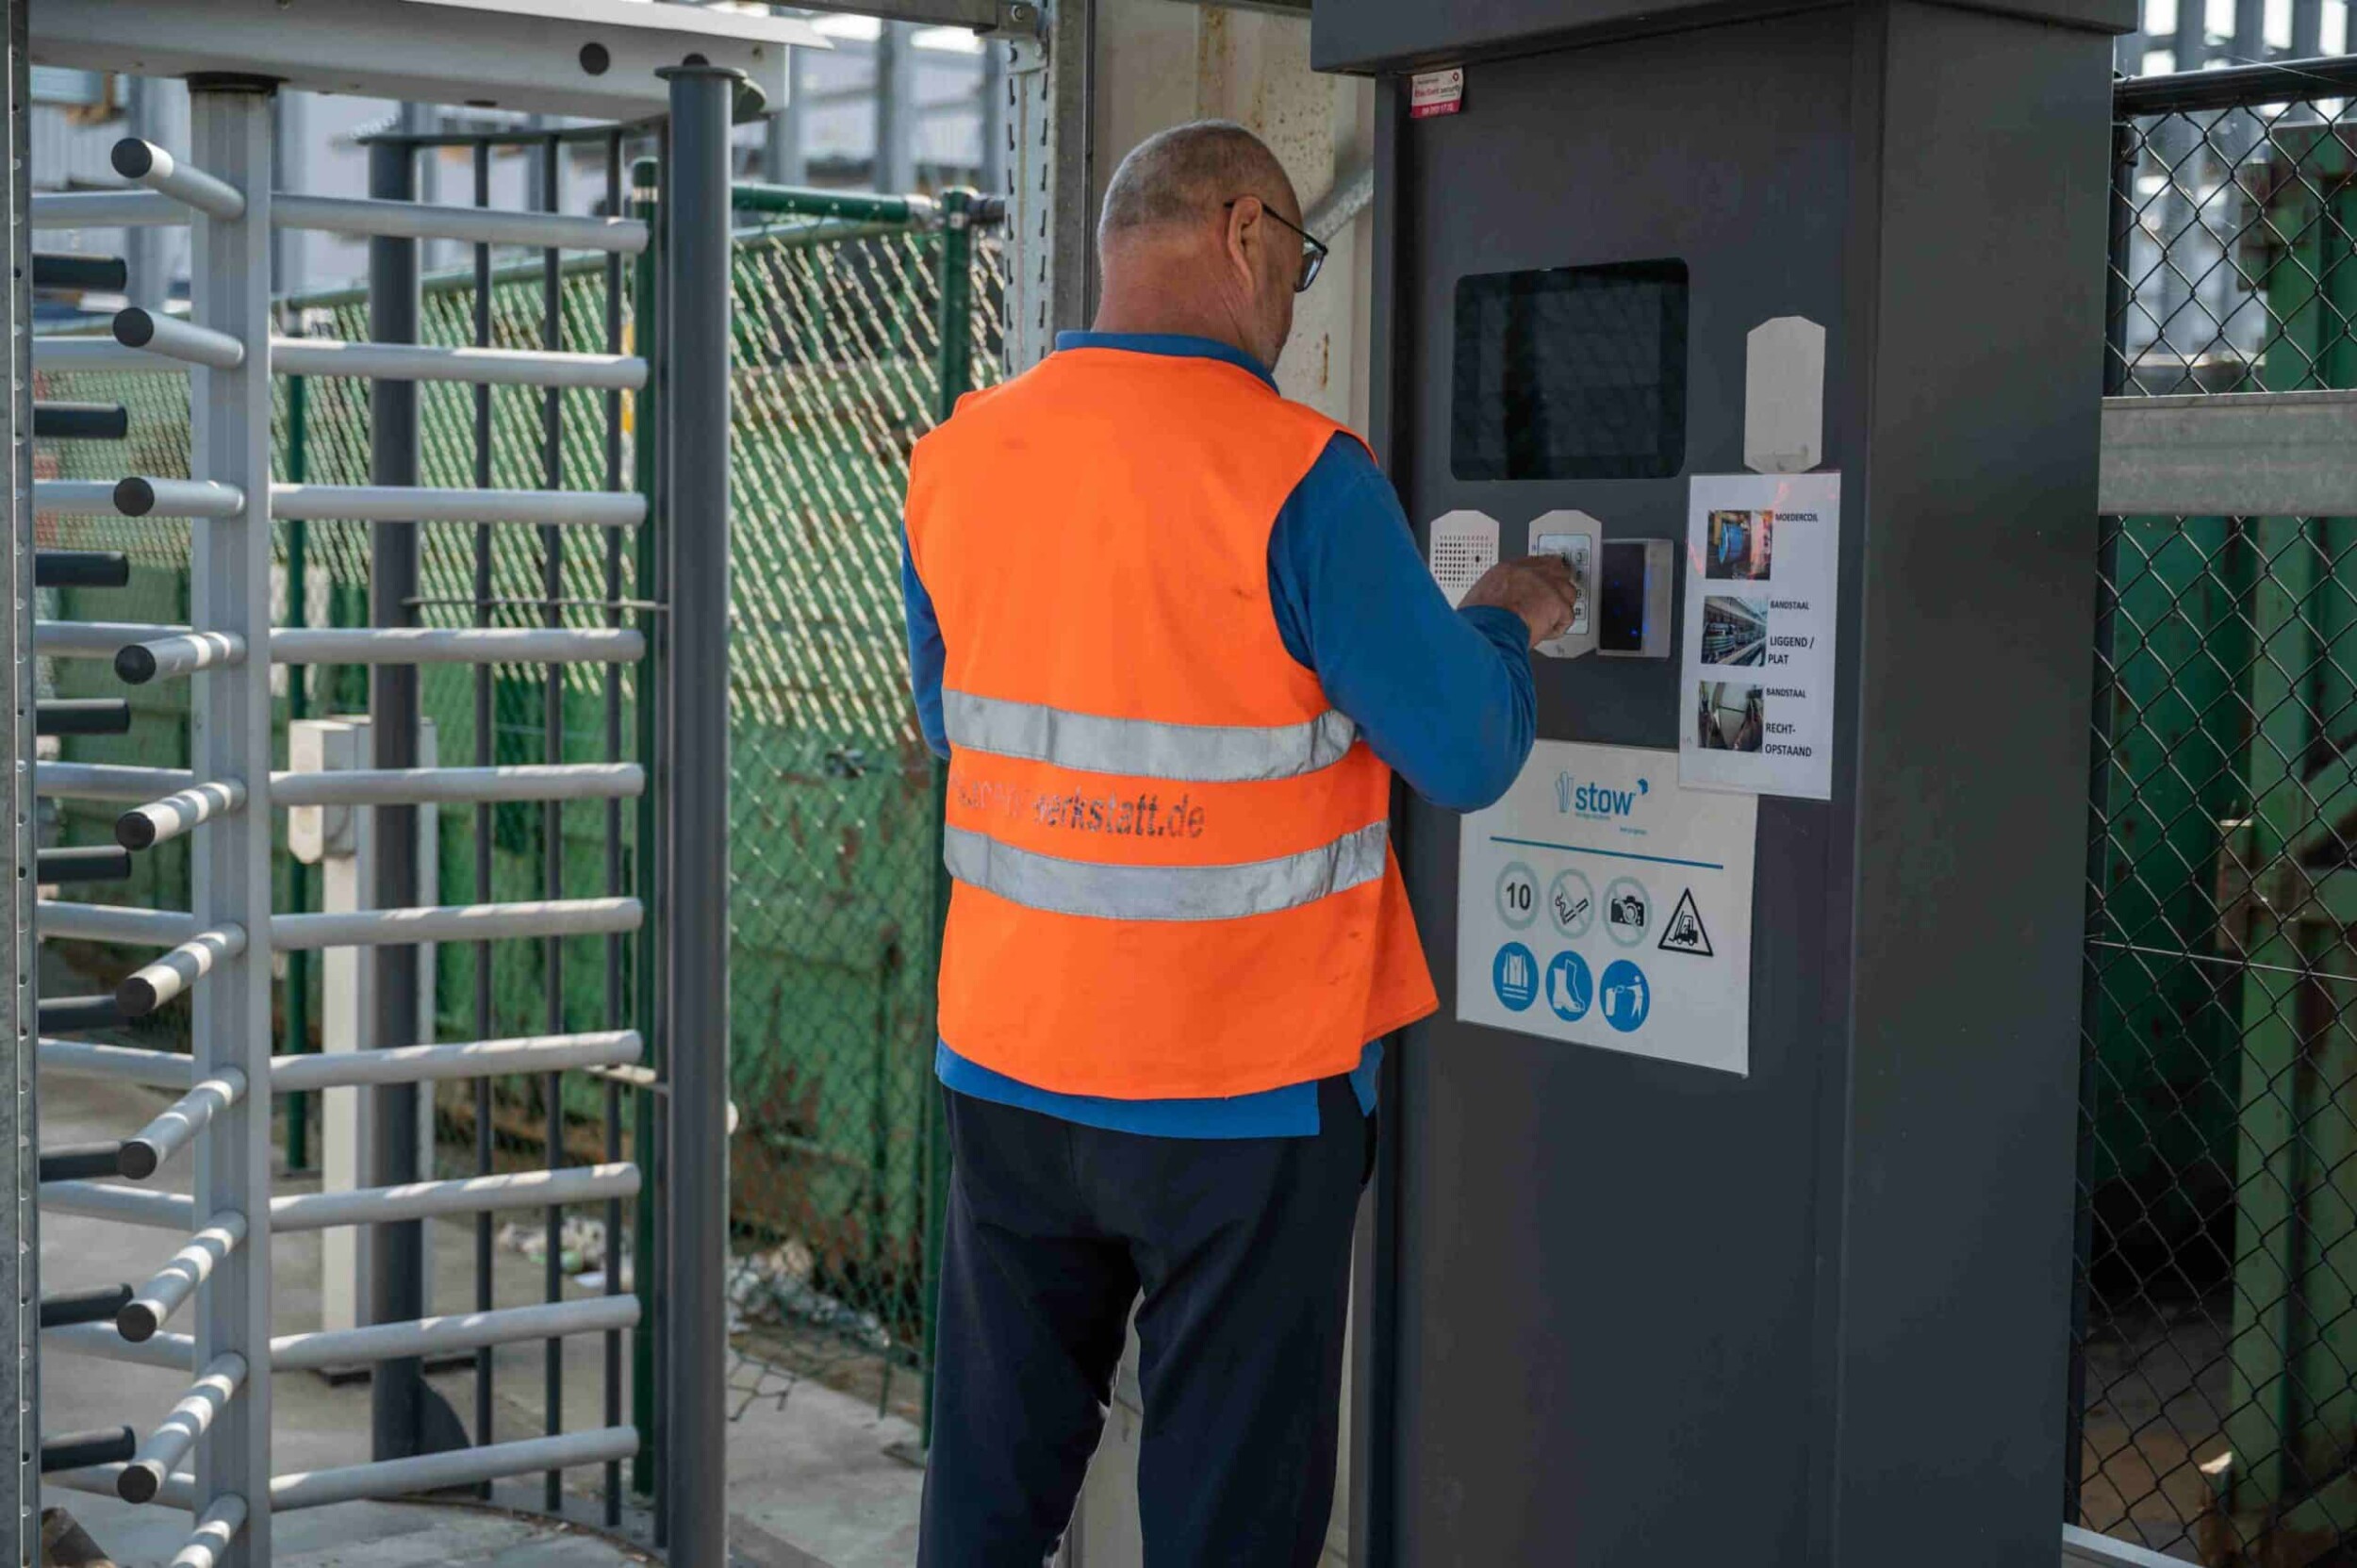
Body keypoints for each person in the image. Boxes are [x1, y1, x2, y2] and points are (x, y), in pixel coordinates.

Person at [900, 119, 1578, 1567]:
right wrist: (1508, 621)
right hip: (1241, 1097)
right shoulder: (1302, 477)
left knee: (989, 1495)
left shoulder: (961, 460)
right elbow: (1461, 747)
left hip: (1010, 1072)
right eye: (1296, 266)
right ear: (1246, 234)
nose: (1291, 302)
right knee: (1228, 1517)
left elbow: (966, 728)